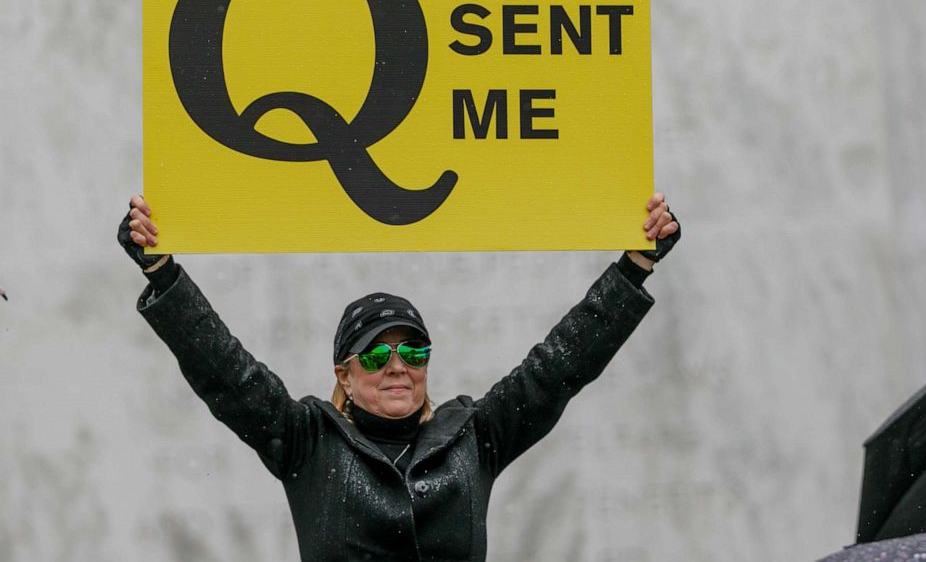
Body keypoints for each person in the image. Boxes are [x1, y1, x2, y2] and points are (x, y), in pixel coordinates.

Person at [118, 192, 680, 562]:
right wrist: (161, 273)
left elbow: (561, 364)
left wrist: (634, 266)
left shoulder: (475, 436)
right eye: (374, 355)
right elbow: (223, 369)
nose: (396, 365)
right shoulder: (304, 442)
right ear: (343, 372)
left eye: (413, 349)